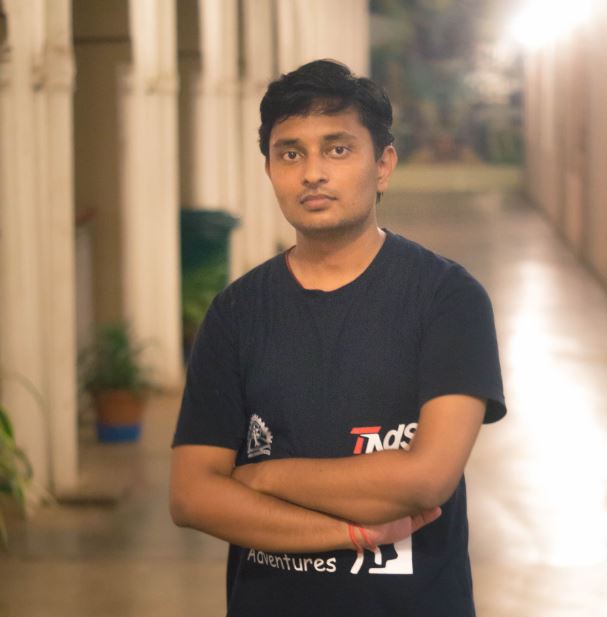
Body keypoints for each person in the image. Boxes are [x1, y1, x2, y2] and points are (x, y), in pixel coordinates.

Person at [170, 59, 506, 617]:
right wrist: (351, 534)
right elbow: (191, 495)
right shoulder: (236, 313)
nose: (312, 173)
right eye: (290, 154)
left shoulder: (447, 298)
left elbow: (426, 479)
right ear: (270, 169)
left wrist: (263, 476)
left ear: (383, 165)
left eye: (338, 149)